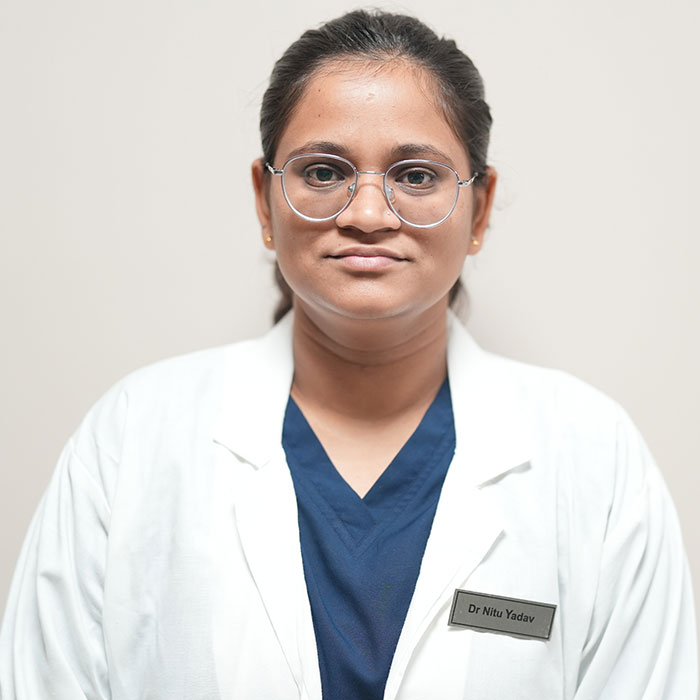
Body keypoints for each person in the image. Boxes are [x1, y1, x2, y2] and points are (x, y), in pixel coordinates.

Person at [0, 9, 696, 700]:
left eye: (416, 176)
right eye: (324, 172)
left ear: (479, 210)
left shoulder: (593, 459)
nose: (366, 215)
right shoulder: (134, 437)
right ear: (265, 201)